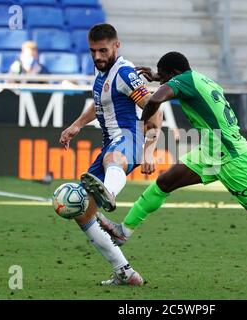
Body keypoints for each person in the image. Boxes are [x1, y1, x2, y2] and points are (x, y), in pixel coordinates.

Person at [96, 51, 247, 292]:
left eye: (164, 77)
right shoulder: (200, 79)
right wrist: (157, 76)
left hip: (233, 159)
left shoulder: (182, 81)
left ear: (174, 74)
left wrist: (142, 122)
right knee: (165, 181)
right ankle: (125, 230)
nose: (163, 81)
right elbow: (174, 86)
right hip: (212, 149)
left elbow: (155, 100)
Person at [58, 23, 162, 286]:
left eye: (103, 50)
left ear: (117, 45)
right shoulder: (103, 74)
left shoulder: (125, 73)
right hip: (111, 144)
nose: (97, 57)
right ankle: (124, 272)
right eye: (93, 51)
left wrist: (150, 150)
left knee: (112, 159)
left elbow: (153, 107)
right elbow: (100, 102)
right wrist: (77, 124)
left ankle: (110, 192)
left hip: (129, 138)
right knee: (81, 210)